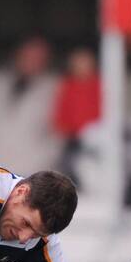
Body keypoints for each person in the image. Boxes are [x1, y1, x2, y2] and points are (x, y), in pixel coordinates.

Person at [0, 36, 59, 177]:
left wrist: (41, 162)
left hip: (31, 170)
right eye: (28, 55)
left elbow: (58, 136)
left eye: (39, 57)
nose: (32, 61)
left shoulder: (54, 89)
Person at [52, 48, 101, 187]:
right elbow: (61, 111)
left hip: (95, 136)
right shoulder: (68, 85)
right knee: (69, 164)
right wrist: (62, 127)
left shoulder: (98, 85)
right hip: (72, 136)